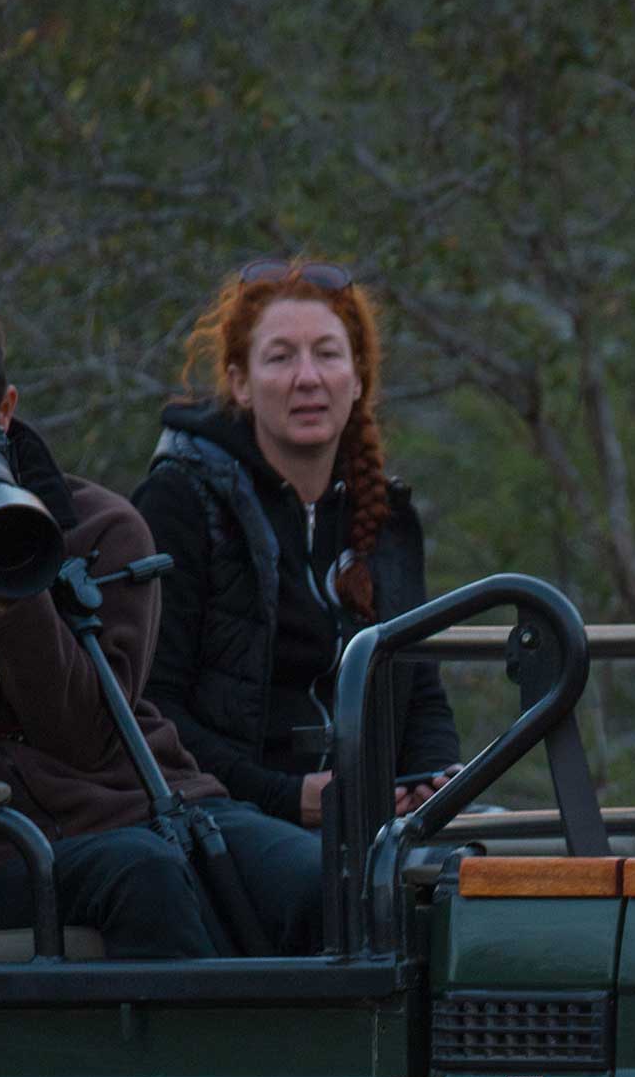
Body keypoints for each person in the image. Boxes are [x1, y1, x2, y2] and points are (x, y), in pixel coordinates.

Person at [0, 293, 323, 959]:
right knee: (144, 876)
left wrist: (12, 578)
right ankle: (210, 1066)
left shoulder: (98, 526)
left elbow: (81, 732)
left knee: (318, 881)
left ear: (7, 411)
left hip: (159, 802)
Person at [133, 261, 459, 830]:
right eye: (280, 357)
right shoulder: (180, 501)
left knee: (523, 873)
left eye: (327, 354)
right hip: (227, 820)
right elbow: (151, 709)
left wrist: (431, 786)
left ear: (357, 378)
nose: (307, 377)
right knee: (323, 888)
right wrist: (284, 796)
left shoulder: (387, 517)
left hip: (374, 825)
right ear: (240, 382)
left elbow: (422, 694)